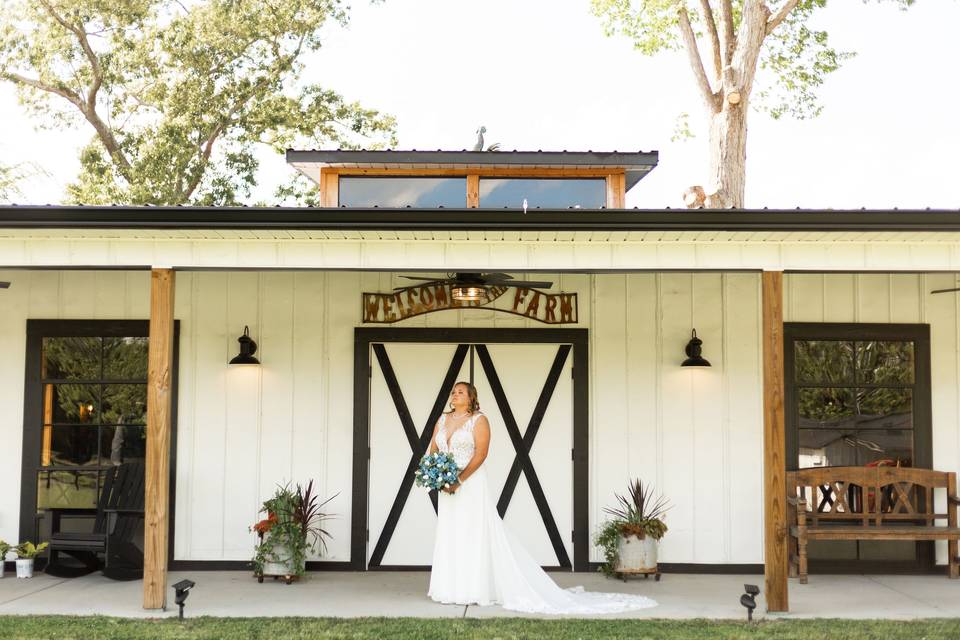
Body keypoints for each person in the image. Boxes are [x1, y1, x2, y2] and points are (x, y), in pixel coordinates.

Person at [427, 381, 657, 614]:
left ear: (471, 397)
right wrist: (437, 476)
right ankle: (451, 588)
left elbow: (481, 453)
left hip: (470, 484)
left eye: (460, 392)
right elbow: (433, 450)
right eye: (453, 391)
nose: (455, 394)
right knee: (451, 531)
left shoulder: (479, 420)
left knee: (474, 533)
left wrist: (460, 479)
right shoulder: (442, 420)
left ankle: (474, 588)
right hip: (447, 487)